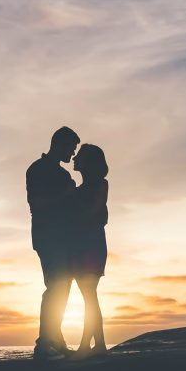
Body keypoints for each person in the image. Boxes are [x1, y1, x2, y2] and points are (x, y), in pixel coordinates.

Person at [26, 126, 80, 360]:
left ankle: (55, 340)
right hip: (48, 237)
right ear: (60, 144)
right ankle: (44, 342)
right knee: (55, 286)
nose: (73, 154)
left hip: (64, 237)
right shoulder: (37, 170)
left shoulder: (62, 174)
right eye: (72, 148)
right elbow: (36, 204)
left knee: (62, 287)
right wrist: (66, 195)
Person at [70, 143, 109, 357]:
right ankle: (99, 344)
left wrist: (72, 199)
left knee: (89, 295)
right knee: (89, 296)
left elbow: (93, 213)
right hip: (79, 246)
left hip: (92, 245)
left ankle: (88, 345)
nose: (74, 158)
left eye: (80, 156)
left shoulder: (100, 185)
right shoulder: (76, 190)